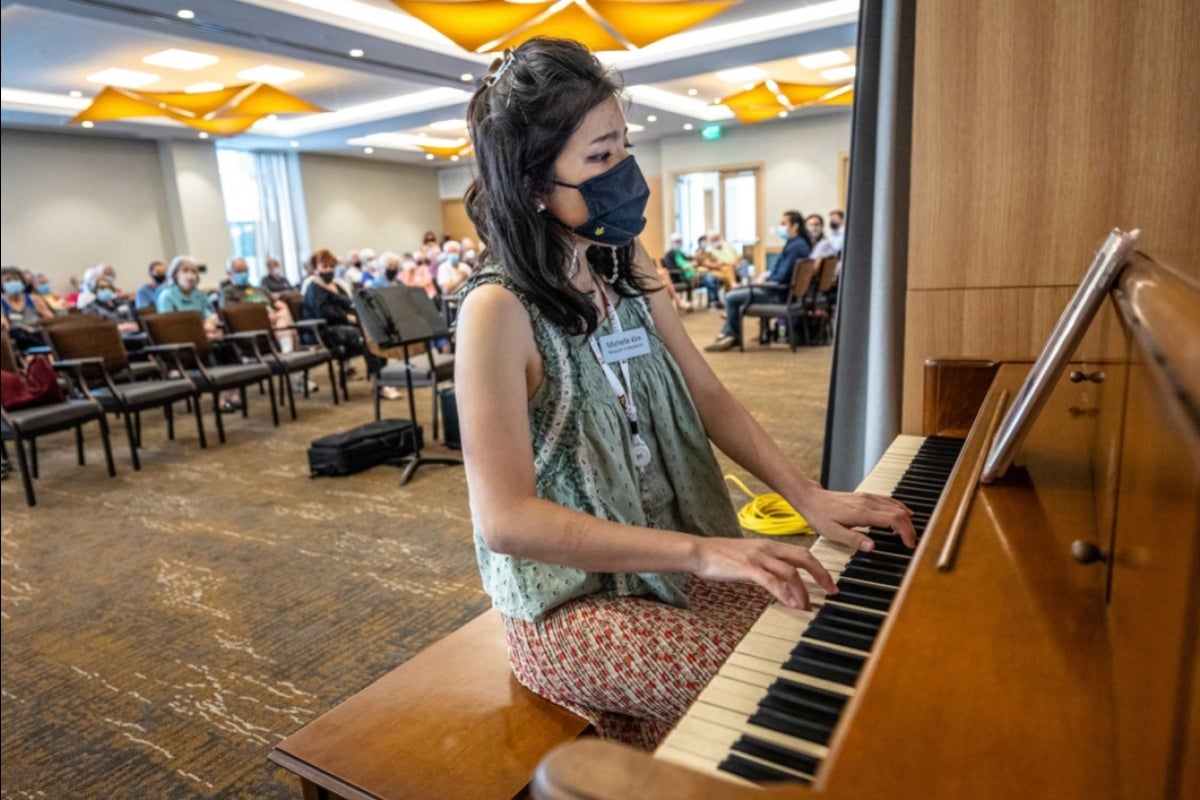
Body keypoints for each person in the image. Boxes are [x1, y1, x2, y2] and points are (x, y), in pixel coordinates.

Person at [454, 38, 914, 750]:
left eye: (624, 149)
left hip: (669, 559)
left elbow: (706, 393)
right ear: (534, 185)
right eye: (600, 158)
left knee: (826, 623)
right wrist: (702, 555)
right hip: (571, 604)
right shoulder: (497, 311)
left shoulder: (624, 258)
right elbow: (506, 521)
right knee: (792, 697)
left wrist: (808, 496)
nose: (626, 175)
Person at [705, 210, 811, 352]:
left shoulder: (795, 246)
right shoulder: (799, 244)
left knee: (731, 296)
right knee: (737, 291)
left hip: (778, 294)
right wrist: (767, 276)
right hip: (784, 291)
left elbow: (782, 276)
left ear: (795, 226)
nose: (781, 227)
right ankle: (727, 333)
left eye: (783, 223)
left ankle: (730, 335)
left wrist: (764, 281)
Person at [2, 266, 54, 351]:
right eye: (8, 280)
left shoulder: (34, 299)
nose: (13, 282)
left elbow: (50, 318)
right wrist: (24, 328)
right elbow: (5, 327)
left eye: (16, 279)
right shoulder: (2, 304)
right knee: (17, 332)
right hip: (18, 337)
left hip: (37, 332)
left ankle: (46, 351)